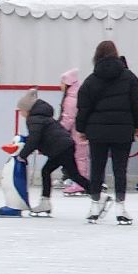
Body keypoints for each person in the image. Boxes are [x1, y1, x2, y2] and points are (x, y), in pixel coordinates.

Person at [74, 39, 138, 226]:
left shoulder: (91, 80)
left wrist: (81, 128)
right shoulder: (129, 77)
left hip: (97, 131)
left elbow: (83, 106)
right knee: (120, 169)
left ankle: (94, 206)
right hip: (122, 130)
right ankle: (121, 208)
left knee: (97, 168)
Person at [8, 88, 88, 216]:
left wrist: (22, 156)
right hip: (64, 146)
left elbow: (35, 139)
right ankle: (45, 202)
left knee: (73, 174)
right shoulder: (41, 117)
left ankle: (98, 194)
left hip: (61, 148)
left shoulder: (33, 119)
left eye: (21, 110)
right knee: (47, 171)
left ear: (27, 109)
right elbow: (39, 136)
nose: (21, 113)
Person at [58, 67, 88, 195]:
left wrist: (58, 131)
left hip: (78, 133)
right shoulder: (77, 94)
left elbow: (68, 118)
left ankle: (80, 183)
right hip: (80, 131)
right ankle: (79, 180)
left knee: (79, 157)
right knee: (80, 157)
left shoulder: (71, 98)